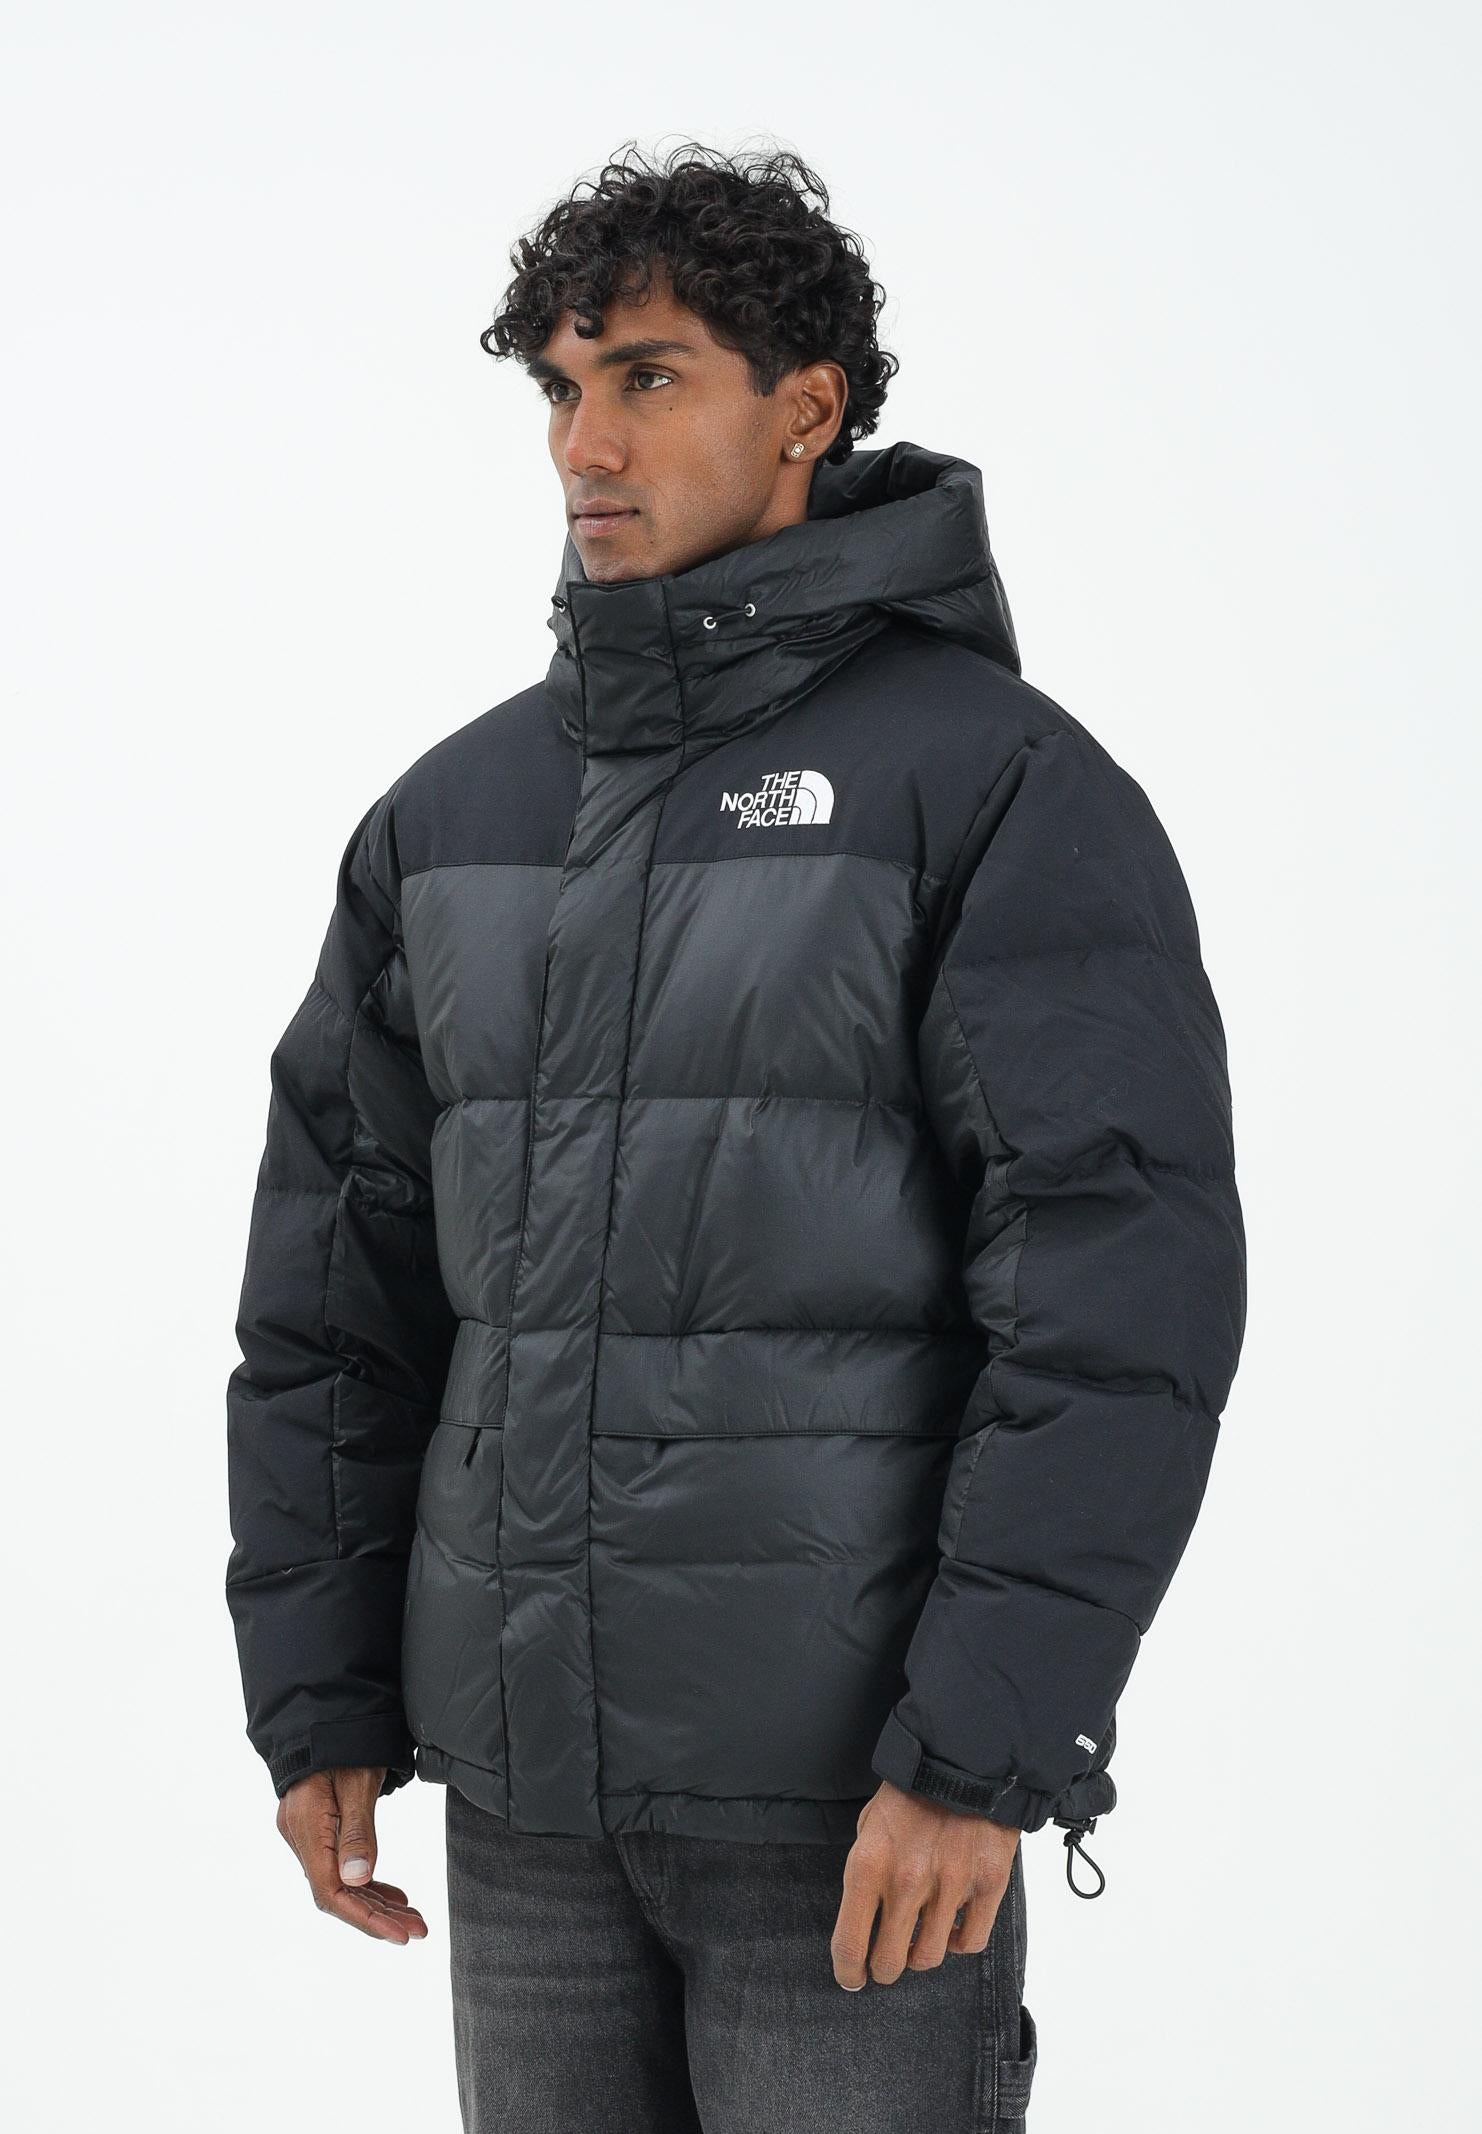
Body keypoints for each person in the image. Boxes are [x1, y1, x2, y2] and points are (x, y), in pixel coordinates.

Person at [225, 140, 1246, 2133]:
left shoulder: (995, 787)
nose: (584, 444)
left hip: (852, 1804)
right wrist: (322, 1688)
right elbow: (334, 1294)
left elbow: (1113, 1304)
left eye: (648, 377)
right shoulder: (451, 816)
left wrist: (982, 1748)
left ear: (806, 406)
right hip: (523, 1798)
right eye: (560, 387)